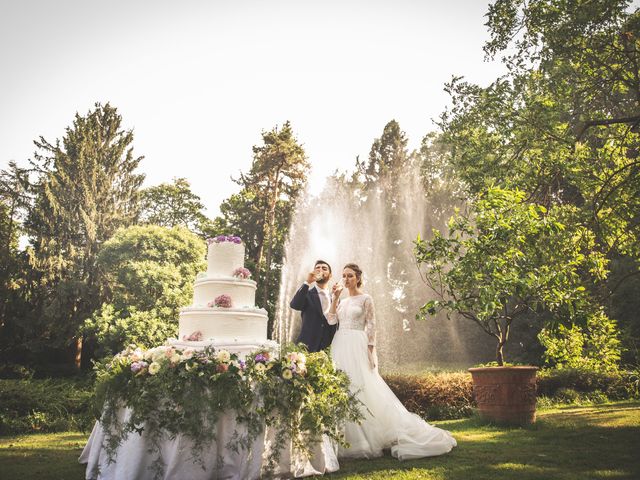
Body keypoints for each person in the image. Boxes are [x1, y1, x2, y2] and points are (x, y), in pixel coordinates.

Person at [327, 263, 457, 460]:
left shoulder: (366, 299)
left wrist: (371, 350)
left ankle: (368, 437)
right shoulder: (342, 301)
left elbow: (371, 325)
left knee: (361, 387)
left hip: (357, 344)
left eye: (350, 276)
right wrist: (334, 298)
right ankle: (341, 437)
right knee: (342, 388)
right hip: (340, 344)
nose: (346, 279)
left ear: (358, 278)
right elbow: (330, 320)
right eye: (344, 276)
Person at [290, 260, 337, 352]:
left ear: (330, 275)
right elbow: (295, 305)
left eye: (324, 268)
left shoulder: (335, 297)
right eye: (317, 268)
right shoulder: (306, 294)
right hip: (307, 346)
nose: (320, 270)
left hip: (329, 348)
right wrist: (307, 282)